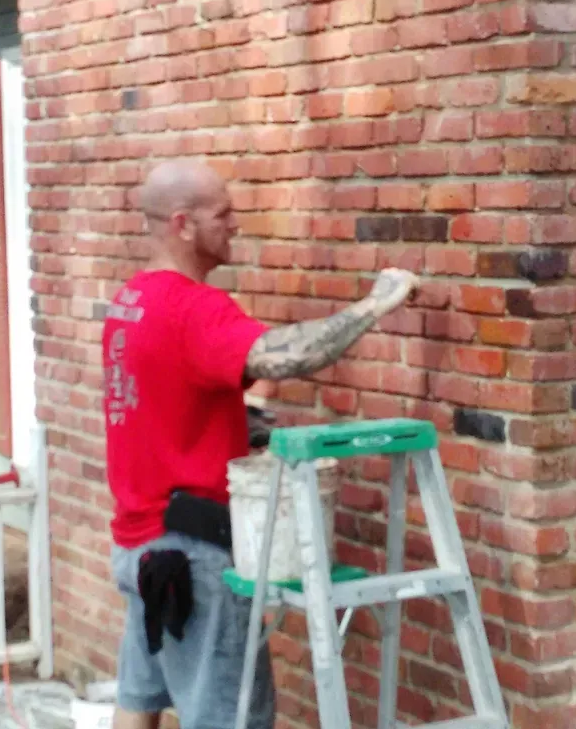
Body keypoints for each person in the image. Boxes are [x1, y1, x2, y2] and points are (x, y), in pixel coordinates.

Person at [103, 159, 421, 729]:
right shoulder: (194, 309)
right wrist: (374, 305)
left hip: (140, 542)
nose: (236, 224)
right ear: (182, 224)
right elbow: (286, 355)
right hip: (192, 556)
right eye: (222, 214)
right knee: (232, 719)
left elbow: (164, 406)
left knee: (140, 700)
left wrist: (244, 422)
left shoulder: (131, 302)